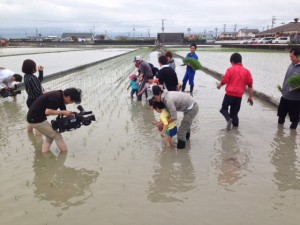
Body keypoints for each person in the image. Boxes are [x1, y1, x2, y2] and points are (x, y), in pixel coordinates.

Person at [27, 88, 82, 153]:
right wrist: (62, 112)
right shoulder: (56, 98)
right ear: (69, 97)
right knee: (57, 136)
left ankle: (45, 155)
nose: (71, 103)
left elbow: (64, 111)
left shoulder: (60, 95)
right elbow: (47, 112)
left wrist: (75, 116)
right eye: (72, 102)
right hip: (36, 119)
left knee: (49, 136)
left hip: (35, 117)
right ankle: (64, 155)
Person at [217, 53, 253, 129]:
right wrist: (250, 97)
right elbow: (250, 85)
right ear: (240, 61)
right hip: (239, 97)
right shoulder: (247, 71)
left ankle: (228, 119)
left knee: (223, 109)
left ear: (232, 61)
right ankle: (235, 131)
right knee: (234, 114)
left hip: (229, 94)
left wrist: (220, 85)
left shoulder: (230, 69)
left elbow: (225, 79)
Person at [277, 47, 300, 129]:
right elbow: (286, 78)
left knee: (294, 119)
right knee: (280, 115)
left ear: (298, 56)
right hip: (285, 96)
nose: (290, 58)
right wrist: (283, 88)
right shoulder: (291, 65)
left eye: (292, 57)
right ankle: (279, 133)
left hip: (295, 99)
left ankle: (292, 134)